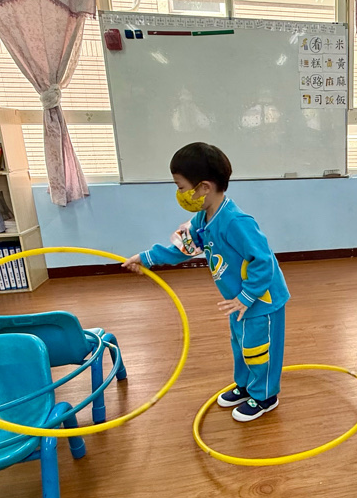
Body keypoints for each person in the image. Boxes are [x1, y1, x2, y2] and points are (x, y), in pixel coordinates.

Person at [123, 142, 289, 421]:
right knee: (241, 345)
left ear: (204, 187)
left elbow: (264, 261)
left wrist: (247, 297)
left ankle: (265, 396)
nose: (179, 194)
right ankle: (245, 386)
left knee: (258, 349)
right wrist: (146, 258)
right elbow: (183, 247)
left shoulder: (236, 221)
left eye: (180, 187)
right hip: (236, 300)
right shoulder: (202, 217)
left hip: (261, 300)